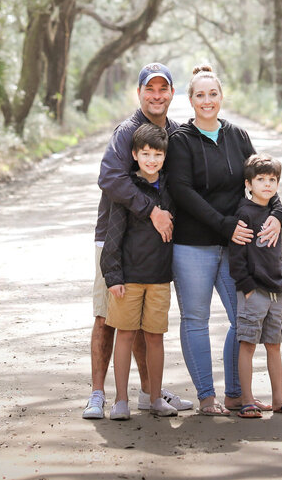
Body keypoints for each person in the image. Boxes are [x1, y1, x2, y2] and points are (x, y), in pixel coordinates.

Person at [165, 64, 282, 416]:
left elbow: (260, 179)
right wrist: (224, 224)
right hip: (193, 245)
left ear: (221, 97)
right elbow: (182, 191)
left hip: (237, 246)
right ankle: (206, 396)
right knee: (195, 320)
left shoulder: (237, 136)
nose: (207, 101)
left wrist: (277, 213)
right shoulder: (180, 141)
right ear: (189, 100)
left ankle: (235, 393)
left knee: (242, 318)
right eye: (200, 95)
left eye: (213, 94)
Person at [83, 63, 192, 420]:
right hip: (114, 240)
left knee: (148, 323)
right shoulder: (127, 132)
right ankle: (99, 394)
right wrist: (153, 211)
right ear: (140, 93)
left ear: (172, 94)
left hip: (156, 245)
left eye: (163, 90)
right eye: (150, 90)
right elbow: (110, 178)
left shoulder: (175, 135)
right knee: (107, 316)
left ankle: (150, 392)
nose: (157, 96)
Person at [101, 123, 179, 420]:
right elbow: (113, 236)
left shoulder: (170, 189)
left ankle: (155, 398)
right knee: (125, 335)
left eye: (157, 154)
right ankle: (121, 400)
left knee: (155, 338)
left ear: (164, 157)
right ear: (134, 155)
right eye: (145, 154)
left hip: (159, 278)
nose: (151, 160)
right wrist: (114, 276)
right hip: (128, 280)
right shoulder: (127, 191)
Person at [229, 153, 282, 418]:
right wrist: (248, 287)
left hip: (277, 290)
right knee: (248, 344)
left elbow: (277, 250)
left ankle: (278, 399)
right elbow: (237, 256)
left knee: (274, 345)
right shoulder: (244, 213)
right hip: (255, 292)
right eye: (260, 179)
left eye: (272, 180)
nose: (267, 184)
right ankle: (247, 399)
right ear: (248, 184)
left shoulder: (275, 215)